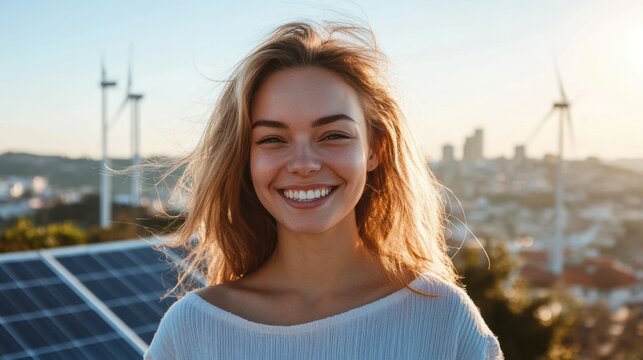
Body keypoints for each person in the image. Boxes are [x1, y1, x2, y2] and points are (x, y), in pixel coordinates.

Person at [145, 21, 502, 360]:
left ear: (375, 149)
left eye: (333, 135)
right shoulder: (192, 331)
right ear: (245, 158)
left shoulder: (444, 320)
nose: (304, 163)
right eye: (272, 139)